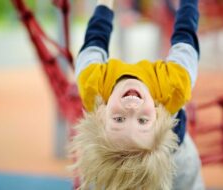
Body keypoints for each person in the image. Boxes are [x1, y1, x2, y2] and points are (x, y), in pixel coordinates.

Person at [71, 0, 205, 189]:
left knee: (102, 178)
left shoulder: (91, 82)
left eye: (118, 119)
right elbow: (186, 36)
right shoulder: (175, 84)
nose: (132, 108)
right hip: (178, 158)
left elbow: (95, 39)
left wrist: (104, 5)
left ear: (100, 115)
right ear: (159, 116)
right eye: (142, 121)